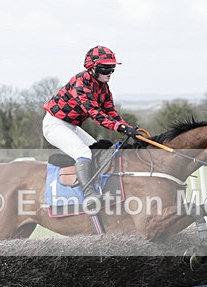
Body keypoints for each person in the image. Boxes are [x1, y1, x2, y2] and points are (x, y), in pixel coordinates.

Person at [43, 45, 138, 203]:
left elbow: (111, 113)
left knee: (97, 150)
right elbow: (95, 113)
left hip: (71, 126)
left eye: (112, 69)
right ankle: (89, 195)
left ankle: (97, 185)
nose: (109, 74)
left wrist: (128, 128)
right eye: (105, 69)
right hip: (54, 125)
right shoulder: (80, 83)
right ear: (92, 68)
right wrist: (119, 127)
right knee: (84, 153)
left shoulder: (103, 88)